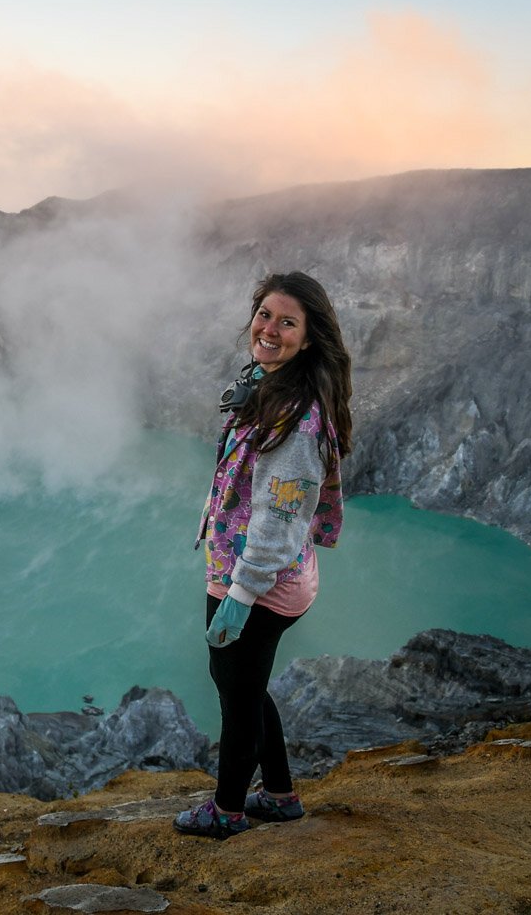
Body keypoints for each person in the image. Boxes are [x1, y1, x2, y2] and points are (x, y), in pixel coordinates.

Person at [173, 271, 353, 839]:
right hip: (255, 573)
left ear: (309, 337)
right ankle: (279, 795)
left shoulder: (296, 417)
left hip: (259, 582)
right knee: (244, 686)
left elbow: (281, 514)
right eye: (265, 315)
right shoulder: (268, 383)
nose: (270, 329)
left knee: (237, 695)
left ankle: (227, 811)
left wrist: (242, 595)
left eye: (287, 322)